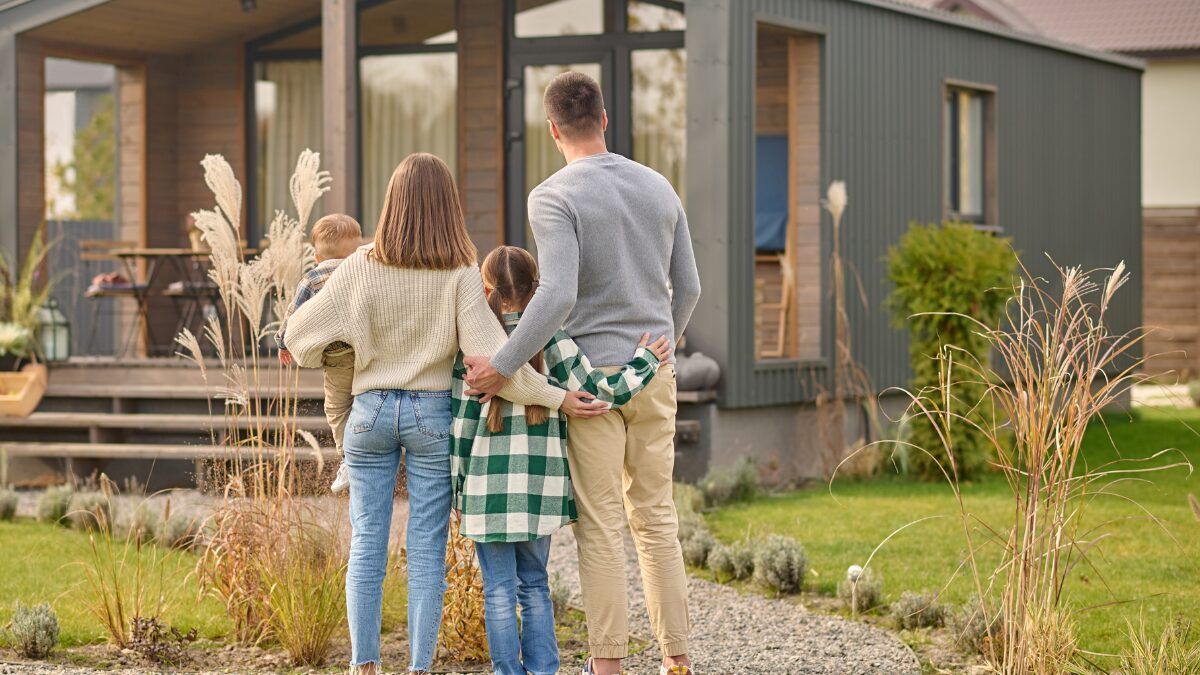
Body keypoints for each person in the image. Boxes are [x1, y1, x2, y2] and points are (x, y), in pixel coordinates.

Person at [283, 153, 608, 675]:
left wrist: (349, 353)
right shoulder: (459, 274)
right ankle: (417, 667)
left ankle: (363, 665)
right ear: (448, 207)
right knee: (426, 552)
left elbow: (298, 336)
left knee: (367, 543)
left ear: (392, 205)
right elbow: (497, 363)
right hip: (432, 417)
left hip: (367, 413)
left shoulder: (359, 267)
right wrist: (557, 396)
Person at [464, 72, 702, 675]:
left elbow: (558, 294)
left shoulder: (552, 195)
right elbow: (691, 287)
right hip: (654, 373)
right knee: (656, 519)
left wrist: (503, 364)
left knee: (600, 529)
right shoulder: (658, 186)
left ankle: (610, 666)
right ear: (603, 119)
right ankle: (678, 660)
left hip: (587, 382)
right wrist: (665, 344)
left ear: (552, 130)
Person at [451, 245, 671, 675]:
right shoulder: (551, 338)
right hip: (541, 488)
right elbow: (598, 392)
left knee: (496, 590)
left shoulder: (473, 342)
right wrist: (646, 362)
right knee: (534, 585)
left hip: (485, 490)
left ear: (486, 287)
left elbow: (460, 427)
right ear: (539, 288)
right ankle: (544, 670)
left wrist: (458, 488)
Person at [275, 213, 363, 494]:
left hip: (337, 357)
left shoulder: (312, 279)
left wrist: (282, 342)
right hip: (368, 351)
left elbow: (293, 316)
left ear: (316, 255)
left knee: (337, 407)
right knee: (364, 401)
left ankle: (349, 458)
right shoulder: (364, 272)